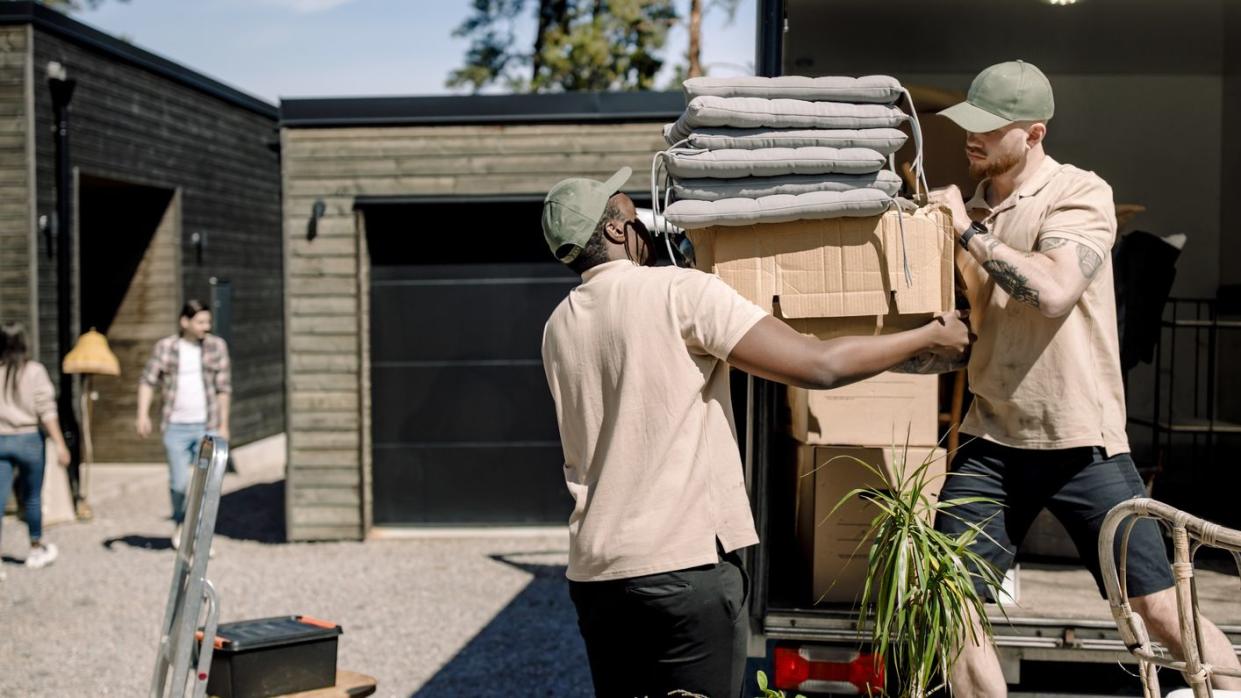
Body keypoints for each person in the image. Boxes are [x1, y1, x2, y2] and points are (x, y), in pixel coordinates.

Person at [539, 167, 973, 697]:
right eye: (635, 217)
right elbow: (819, 366)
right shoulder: (681, 293)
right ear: (613, 232)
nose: (647, 228)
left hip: (597, 576)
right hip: (683, 569)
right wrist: (928, 334)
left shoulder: (559, 326)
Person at [927, 60, 1241, 695]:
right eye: (969, 123)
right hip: (991, 440)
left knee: (1158, 608)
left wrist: (967, 231)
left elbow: (1053, 292)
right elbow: (982, 323)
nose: (972, 138)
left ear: (1035, 133)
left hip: (1081, 440)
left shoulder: (1078, 193)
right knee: (948, 602)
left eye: (991, 128)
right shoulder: (974, 206)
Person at [136, 300, 231, 546]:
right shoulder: (166, 348)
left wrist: (224, 424)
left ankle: (198, 535)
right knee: (179, 483)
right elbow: (148, 380)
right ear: (184, 322)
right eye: (200, 322)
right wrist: (142, 414)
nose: (206, 327)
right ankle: (180, 522)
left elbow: (224, 388)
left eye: (208, 321)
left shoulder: (216, 347)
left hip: (206, 424)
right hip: (175, 425)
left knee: (207, 483)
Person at [0, 322, 71, 572]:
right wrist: (60, 444)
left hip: (1, 438)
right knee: (31, 497)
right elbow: (47, 411)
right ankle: (35, 547)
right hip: (29, 438)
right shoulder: (34, 371)